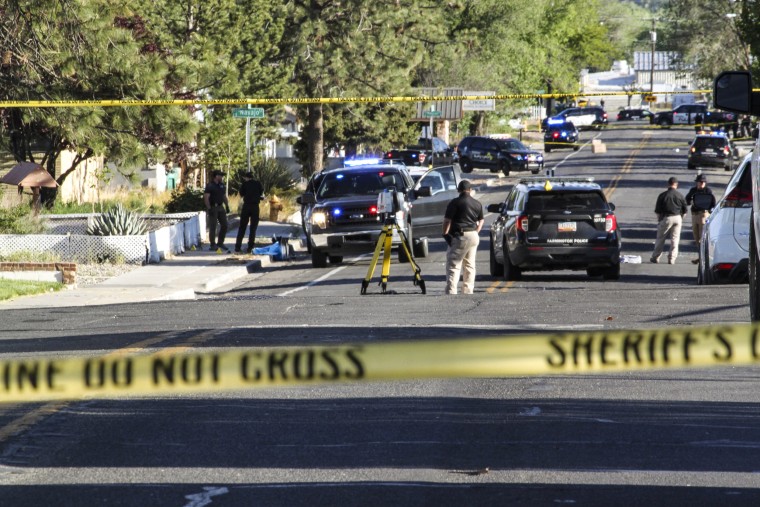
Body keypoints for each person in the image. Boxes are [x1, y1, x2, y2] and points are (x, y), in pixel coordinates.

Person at [442, 180, 484, 294]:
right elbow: (481, 220)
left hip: (460, 236)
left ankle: (451, 291)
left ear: (458, 190)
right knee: (470, 265)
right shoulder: (477, 203)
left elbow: (447, 221)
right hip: (473, 235)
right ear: (470, 190)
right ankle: (468, 290)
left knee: (454, 264)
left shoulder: (454, 203)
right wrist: (476, 231)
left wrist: (445, 233)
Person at [651, 176, 687, 265]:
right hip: (678, 217)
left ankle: (656, 257)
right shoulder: (680, 195)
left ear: (668, 184)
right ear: (676, 185)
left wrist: (660, 220)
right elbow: (685, 210)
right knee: (675, 239)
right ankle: (672, 259)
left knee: (660, 238)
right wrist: (680, 218)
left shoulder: (663, 195)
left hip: (666, 218)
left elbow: (658, 211)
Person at [685, 173, 716, 264]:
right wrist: (690, 200)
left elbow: (712, 203)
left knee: (703, 237)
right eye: (700, 182)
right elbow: (686, 200)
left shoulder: (708, 191)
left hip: (703, 214)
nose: (702, 184)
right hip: (694, 215)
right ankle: (701, 256)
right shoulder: (693, 190)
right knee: (696, 238)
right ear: (697, 183)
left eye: (703, 182)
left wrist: (710, 213)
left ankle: (704, 258)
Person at [235, 171, 264, 253]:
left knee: (242, 227)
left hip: (246, 206)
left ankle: (238, 246)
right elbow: (261, 193)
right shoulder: (258, 183)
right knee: (253, 228)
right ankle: (250, 247)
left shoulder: (244, 184)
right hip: (255, 207)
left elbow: (241, 194)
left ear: (246, 177)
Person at [203, 170, 230, 252]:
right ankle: (212, 244)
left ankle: (220, 242)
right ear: (216, 176)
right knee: (213, 226)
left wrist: (227, 205)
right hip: (213, 207)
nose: (222, 177)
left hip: (220, 207)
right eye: (220, 175)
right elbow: (206, 197)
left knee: (225, 225)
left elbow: (223, 196)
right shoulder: (210, 185)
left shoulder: (221, 185)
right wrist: (209, 208)